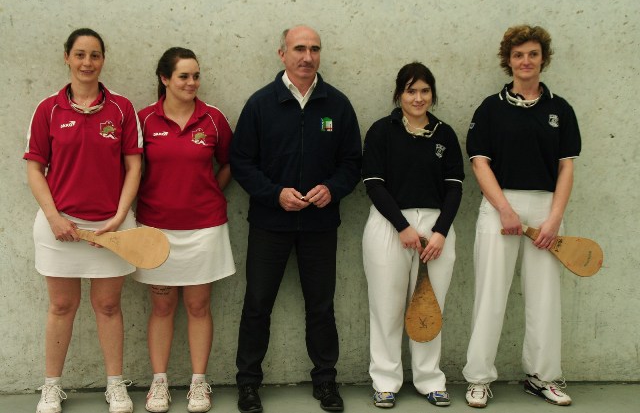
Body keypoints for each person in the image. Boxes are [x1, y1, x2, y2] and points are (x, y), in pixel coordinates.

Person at [230, 25, 362, 413]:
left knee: (321, 306)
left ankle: (325, 380)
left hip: (320, 226)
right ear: (282, 54)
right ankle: (249, 384)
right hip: (270, 224)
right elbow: (241, 161)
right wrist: (275, 194)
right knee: (257, 304)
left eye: (315, 49)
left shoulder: (337, 105)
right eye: (299, 49)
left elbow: (352, 162)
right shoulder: (260, 104)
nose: (307, 56)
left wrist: (332, 189)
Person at [24, 28, 142, 413]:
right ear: (67, 58)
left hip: (111, 226)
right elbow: (34, 169)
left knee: (108, 306)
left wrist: (119, 218)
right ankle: (51, 387)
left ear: (103, 59)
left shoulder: (122, 109)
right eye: (79, 55)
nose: (87, 63)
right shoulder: (48, 109)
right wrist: (55, 218)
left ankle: (115, 386)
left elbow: (134, 166)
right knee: (61, 306)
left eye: (94, 55)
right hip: (60, 226)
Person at [463, 25, 581, 408]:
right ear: (508, 61)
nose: (525, 61)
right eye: (518, 55)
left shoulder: (560, 109)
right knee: (490, 295)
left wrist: (554, 218)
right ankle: (479, 378)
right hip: (500, 208)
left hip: (547, 210)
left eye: (532, 54)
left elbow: (566, 167)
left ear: (542, 59)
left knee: (545, 297)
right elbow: (479, 163)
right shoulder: (490, 108)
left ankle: (543, 377)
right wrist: (504, 209)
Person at [132, 47, 235, 413]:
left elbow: (229, 162)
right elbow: (131, 170)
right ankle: (158, 384)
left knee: (198, 305)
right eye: (183, 77)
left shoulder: (213, 119)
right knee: (161, 307)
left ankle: (198, 383)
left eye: (195, 76)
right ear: (164, 79)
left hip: (204, 228)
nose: (191, 83)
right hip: (155, 230)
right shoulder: (143, 119)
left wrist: (208, 193)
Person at [362, 62, 465, 409]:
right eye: (411, 90)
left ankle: (429, 379)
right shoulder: (381, 131)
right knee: (387, 307)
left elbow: (455, 187)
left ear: (432, 94)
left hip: (437, 231)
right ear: (399, 94)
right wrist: (402, 228)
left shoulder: (445, 134)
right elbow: (373, 185)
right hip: (389, 226)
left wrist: (440, 232)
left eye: (424, 91)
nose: (418, 97)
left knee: (430, 307)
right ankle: (385, 381)